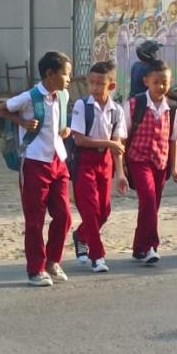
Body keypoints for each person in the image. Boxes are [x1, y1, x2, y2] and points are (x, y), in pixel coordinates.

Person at [0, 51, 74, 287]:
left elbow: (59, 123)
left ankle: (52, 261)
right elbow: (2, 108)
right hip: (34, 161)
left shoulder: (63, 95)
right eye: (65, 74)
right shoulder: (29, 97)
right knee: (35, 219)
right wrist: (22, 123)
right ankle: (35, 269)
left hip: (58, 160)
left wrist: (65, 130)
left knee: (64, 215)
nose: (69, 79)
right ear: (50, 74)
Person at [69, 61, 128, 273]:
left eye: (100, 84)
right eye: (91, 82)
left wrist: (120, 174)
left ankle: (81, 235)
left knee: (104, 211)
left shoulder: (117, 111)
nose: (94, 87)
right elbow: (79, 139)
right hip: (84, 161)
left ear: (111, 86)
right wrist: (109, 143)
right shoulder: (82, 106)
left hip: (105, 162)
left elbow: (118, 146)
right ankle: (97, 255)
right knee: (91, 209)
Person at [125, 59, 177, 264]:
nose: (160, 86)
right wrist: (122, 167)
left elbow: (174, 140)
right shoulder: (135, 104)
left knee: (152, 205)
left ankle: (139, 247)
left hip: (160, 162)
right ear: (146, 81)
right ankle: (151, 246)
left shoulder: (172, 108)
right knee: (148, 200)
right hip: (138, 160)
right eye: (156, 82)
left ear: (170, 82)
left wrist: (174, 168)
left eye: (164, 82)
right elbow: (123, 136)